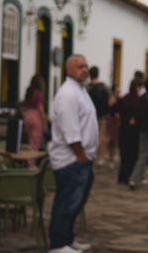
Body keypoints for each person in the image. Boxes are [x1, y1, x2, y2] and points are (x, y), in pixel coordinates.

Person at [47, 54, 99, 253]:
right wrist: (80, 154)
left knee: (76, 202)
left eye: (86, 65)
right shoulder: (68, 94)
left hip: (81, 158)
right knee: (67, 202)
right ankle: (58, 243)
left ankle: (67, 239)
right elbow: (70, 131)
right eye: (79, 66)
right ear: (69, 70)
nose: (85, 69)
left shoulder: (79, 90)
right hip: (71, 159)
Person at [116, 75, 143, 185]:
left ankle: (122, 176)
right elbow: (140, 114)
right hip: (134, 130)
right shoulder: (137, 99)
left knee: (124, 154)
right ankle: (130, 176)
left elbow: (115, 111)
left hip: (123, 128)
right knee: (133, 154)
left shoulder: (124, 98)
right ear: (137, 87)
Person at [86, 66, 112, 166]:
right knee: (102, 137)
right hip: (102, 115)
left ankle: (93, 156)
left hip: (90, 117)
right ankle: (101, 157)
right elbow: (110, 101)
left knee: (91, 136)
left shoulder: (87, 87)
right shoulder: (104, 86)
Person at [22, 74, 50, 151]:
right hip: (35, 117)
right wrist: (45, 124)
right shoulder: (39, 94)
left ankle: (28, 159)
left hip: (28, 116)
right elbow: (40, 110)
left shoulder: (29, 92)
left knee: (30, 139)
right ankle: (31, 161)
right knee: (35, 141)